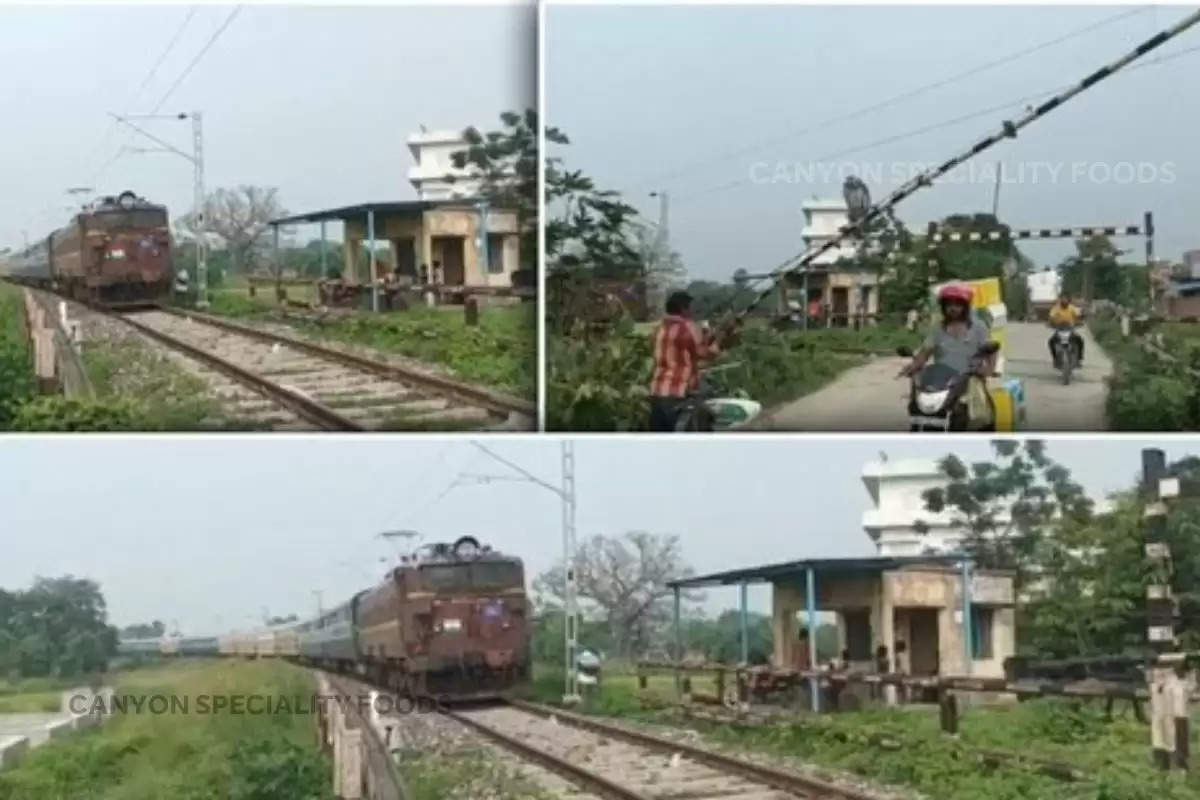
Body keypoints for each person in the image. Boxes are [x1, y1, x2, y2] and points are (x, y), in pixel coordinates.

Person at [647, 291, 720, 431]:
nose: (691, 311)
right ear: (683, 308)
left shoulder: (659, 328)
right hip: (679, 394)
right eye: (689, 307)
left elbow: (679, 351)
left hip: (657, 392)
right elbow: (705, 353)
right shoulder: (688, 327)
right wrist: (717, 346)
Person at [899, 283, 995, 380]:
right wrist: (913, 366)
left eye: (958, 304)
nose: (953, 308)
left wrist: (989, 369)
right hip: (943, 382)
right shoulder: (937, 329)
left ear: (965, 306)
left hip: (972, 380)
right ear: (944, 307)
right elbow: (924, 353)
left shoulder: (978, 327)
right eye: (949, 304)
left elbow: (991, 350)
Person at [1047, 291, 1084, 364]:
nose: (1064, 300)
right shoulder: (1056, 308)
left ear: (1069, 300)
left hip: (1070, 329)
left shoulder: (1072, 308)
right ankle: (1055, 358)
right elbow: (1051, 316)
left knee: (1080, 340)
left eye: (1066, 299)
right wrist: (1050, 323)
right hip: (1059, 328)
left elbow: (1078, 315)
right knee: (1051, 342)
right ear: (1060, 299)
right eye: (1062, 298)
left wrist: (1080, 321)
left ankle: (1079, 358)